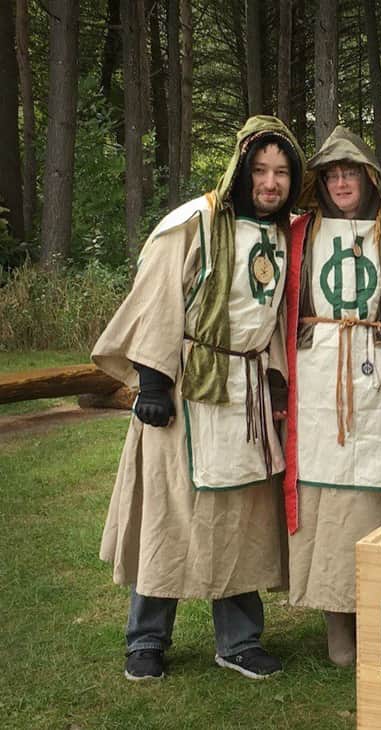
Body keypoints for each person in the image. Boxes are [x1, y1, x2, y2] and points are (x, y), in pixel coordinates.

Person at [93, 116, 305, 681]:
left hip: (247, 397)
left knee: (238, 518)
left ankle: (239, 640)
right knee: (170, 513)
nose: (270, 182)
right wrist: (154, 381)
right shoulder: (195, 221)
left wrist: (277, 379)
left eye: (282, 172)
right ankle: (146, 639)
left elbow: (273, 314)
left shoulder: (283, 234)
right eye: (260, 169)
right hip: (186, 390)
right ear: (240, 169)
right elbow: (156, 295)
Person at [282, 125, 381, 666]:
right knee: (325, 507)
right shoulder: (298, 234)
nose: (342, 181)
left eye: (351, 172)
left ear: (369, 179)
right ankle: (336, 623)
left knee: (372, 502)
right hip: (318, 382)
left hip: (375, 381)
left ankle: (377, 614)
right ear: (320, 184)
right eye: (332, 174)